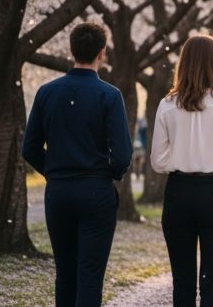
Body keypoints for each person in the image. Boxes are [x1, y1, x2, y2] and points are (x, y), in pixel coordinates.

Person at [22, 22, 133, 307]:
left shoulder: (47, 93)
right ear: (102, 53)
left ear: (71, 50)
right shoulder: (109, 95)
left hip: (58, 191)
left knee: (65, 274)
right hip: (96, 191)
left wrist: (55, 172)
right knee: (90, 275)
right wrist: (104, 175)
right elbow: (121, 155)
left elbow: (30, 147)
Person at [151, 35, 213, 307]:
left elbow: (157, 162)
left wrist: (182, 158)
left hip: (179, 192)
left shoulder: (167, 105)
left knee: (182, 281)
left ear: (183, 64)